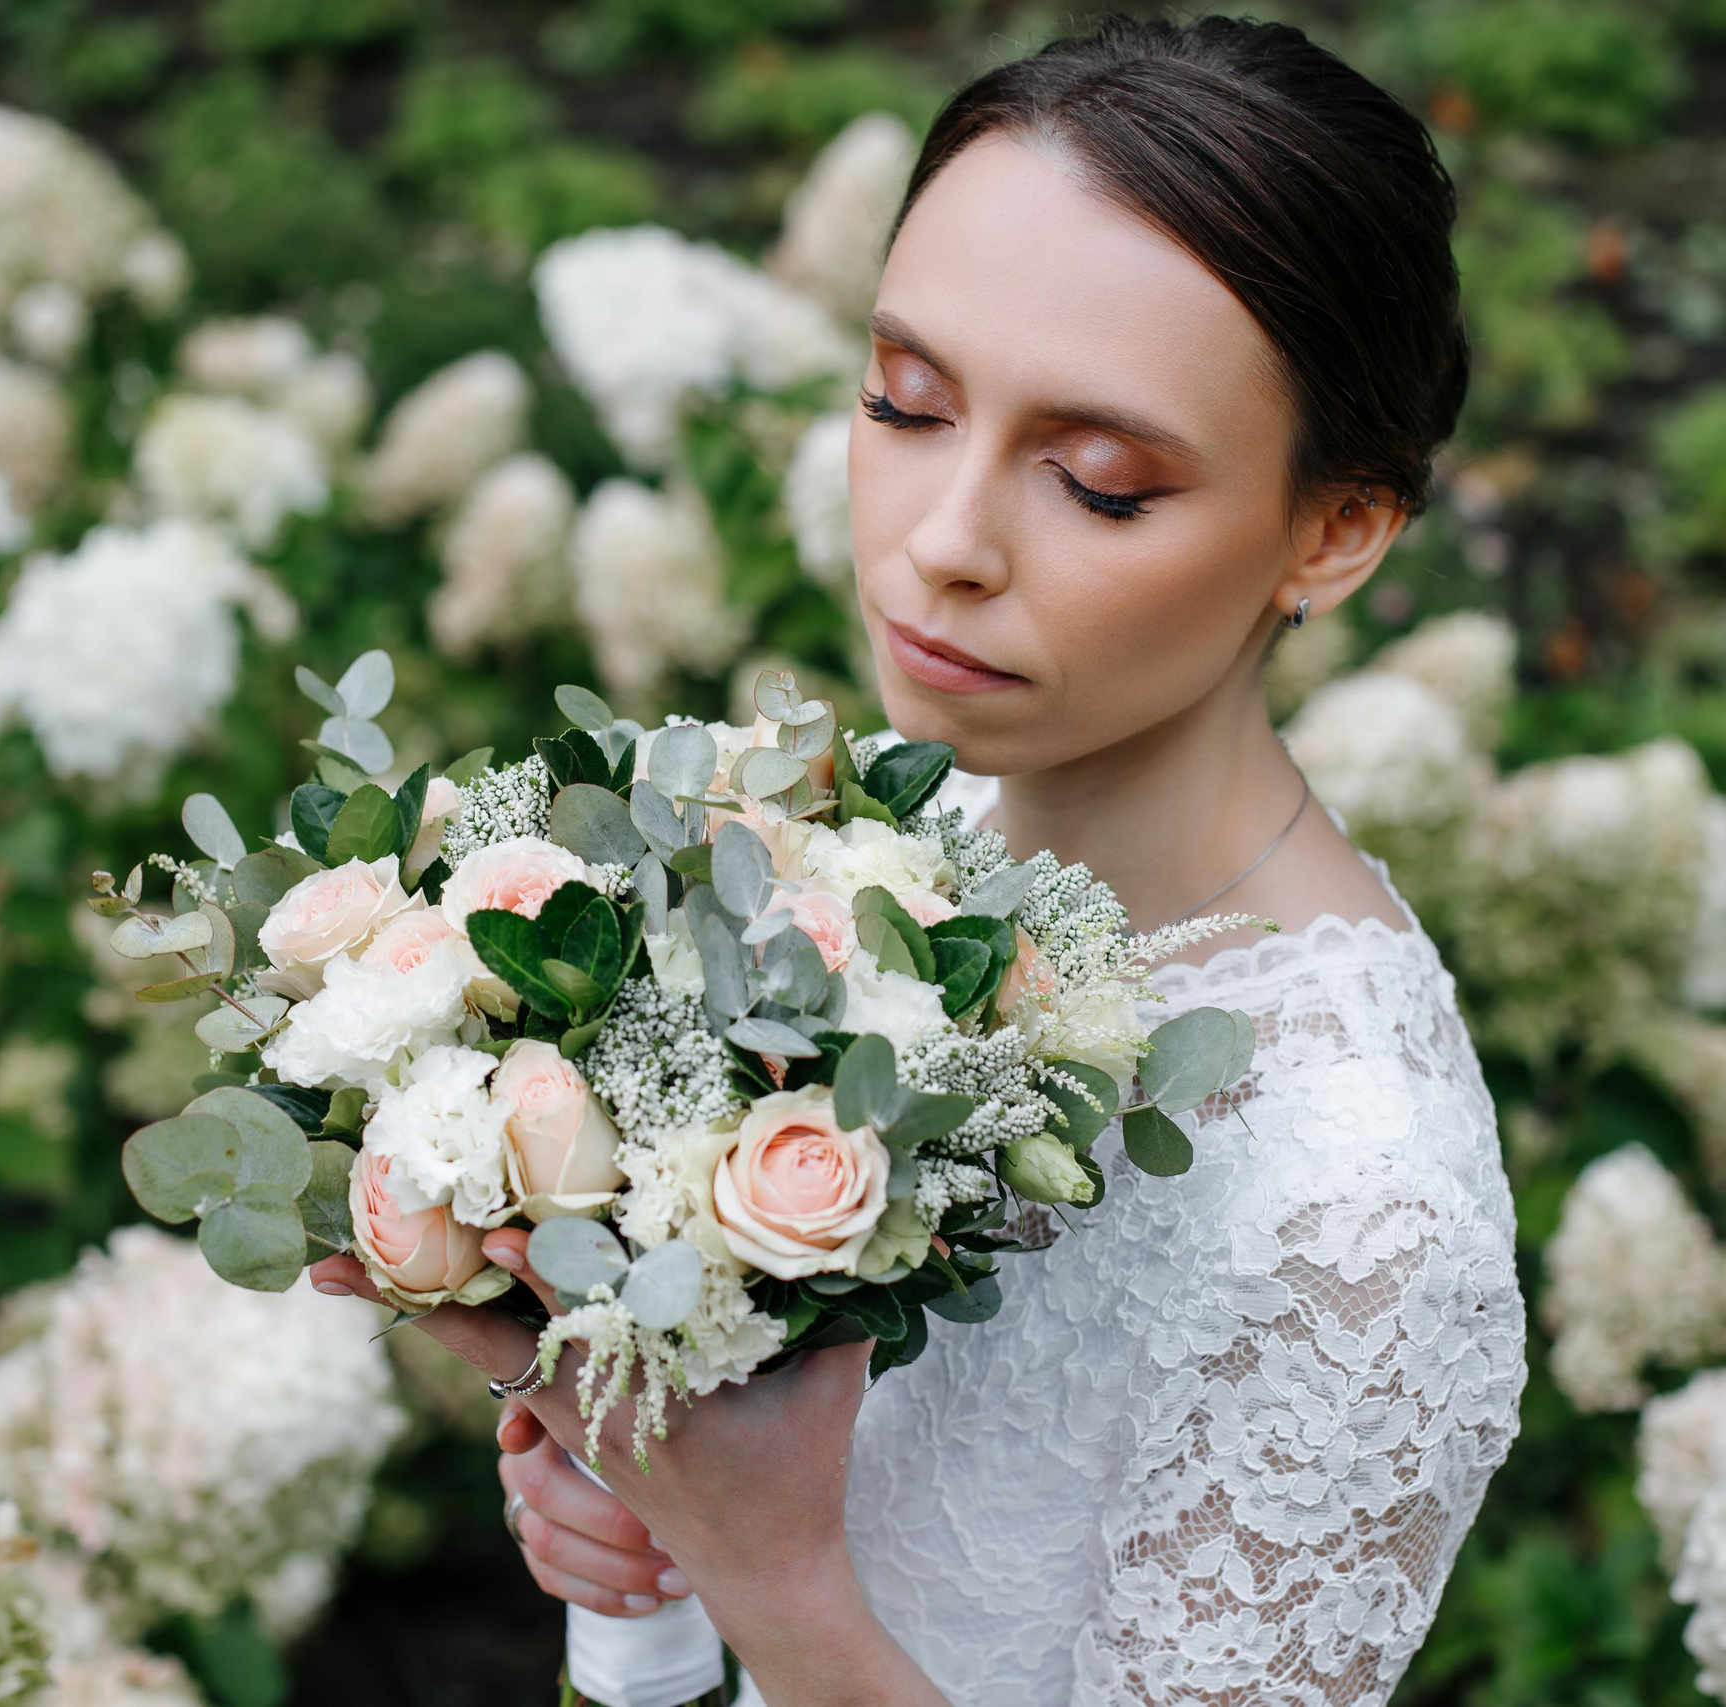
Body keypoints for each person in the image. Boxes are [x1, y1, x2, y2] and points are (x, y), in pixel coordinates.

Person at [311, 15, 1527, 1704]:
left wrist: (771, 1569)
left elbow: (802, 1554)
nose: (941, 543)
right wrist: (640, 1513)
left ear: (1336, 529)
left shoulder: (1356, 1211)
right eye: (905, 400)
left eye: (1099, 485)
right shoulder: (894, 845)